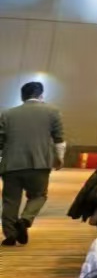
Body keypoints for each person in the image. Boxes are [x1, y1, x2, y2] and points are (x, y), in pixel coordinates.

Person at [0, 79, 64, 246]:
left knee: (10, 200)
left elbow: (0, 141)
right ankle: (25, 220)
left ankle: (10, 235)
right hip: (39, 163)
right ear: (41, 95)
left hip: (11, 165)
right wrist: (59, 159)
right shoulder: (53, 112)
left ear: (22, 96)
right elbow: (59, 139)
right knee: (38, 195)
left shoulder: (7, 114)